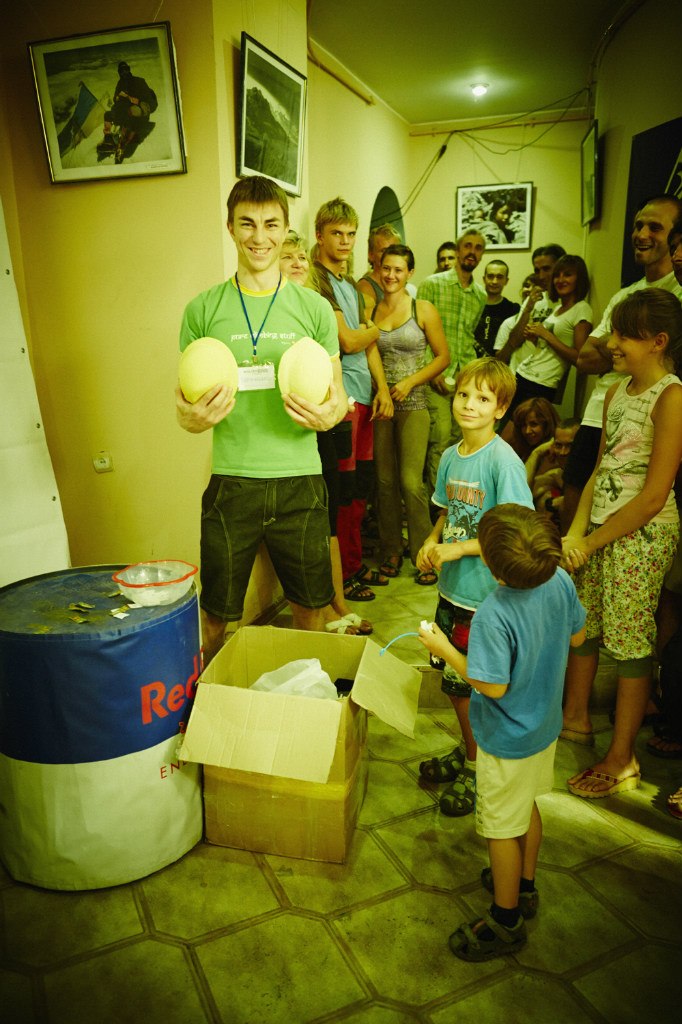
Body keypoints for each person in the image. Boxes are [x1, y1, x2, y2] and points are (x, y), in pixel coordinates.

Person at [176, 176, 347, 664]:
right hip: (233, 482)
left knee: (311, 606)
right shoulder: (202, 310)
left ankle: (304, 699)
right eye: (247, 223)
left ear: (285, 229)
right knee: (217, 610)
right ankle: (215, 700)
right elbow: (184, 409)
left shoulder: (314, 308)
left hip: (301, 480)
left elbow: (337, 398)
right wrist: (193, 419)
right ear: (230, 227)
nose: (259, 236)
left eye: (271, 224)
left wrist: (326, 415)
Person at [419, 504, 586, 962]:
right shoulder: (560, 581)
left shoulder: (494, 613)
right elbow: (576, 637)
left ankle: (505, 919)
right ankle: (525, 887)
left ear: (490, 565)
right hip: (544, 728)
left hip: (505, 739)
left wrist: (445, 647)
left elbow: (491, 684)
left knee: (499, 828)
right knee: (526, 807)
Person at [561, 288, 682, 798]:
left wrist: (595, 540)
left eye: (623, 335)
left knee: (630, 644)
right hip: (602, 530)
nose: (611, 343)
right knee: (583, 627)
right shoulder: (614, 392)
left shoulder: (672, 396)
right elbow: (599, 470)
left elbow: (654, 496)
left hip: (643, 534)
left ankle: (622, 755)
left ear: (658, 342)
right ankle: (575, 717)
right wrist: (575, 531)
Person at [416, 358, 533, 817]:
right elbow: (446, 512)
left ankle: (480, 766)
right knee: (453, 683)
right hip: (452, 592)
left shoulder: (504, 461)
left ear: (500, 409)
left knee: (476, 686)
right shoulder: (450, 456)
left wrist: (457, 550)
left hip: (487, 601)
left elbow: (511, 532)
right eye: (465, 394)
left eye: (483, 398)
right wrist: (431, 539)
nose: (470, 405)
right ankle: (469, 753)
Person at [562, 195, 682, 532]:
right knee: (575, 501)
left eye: (655, 227)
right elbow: (585, 357)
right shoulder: (625, 294)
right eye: (638, 225)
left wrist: (605, 349)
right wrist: (621, 350)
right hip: (601, 406)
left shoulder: (677, 292)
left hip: (648, 416)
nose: (642, 233)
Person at [278, 231, 371, 636]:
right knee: (309, 524)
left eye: (301, 255)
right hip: (290, 433)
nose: (298, 261)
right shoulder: (270, 317)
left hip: (327, 421)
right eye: (288, 256)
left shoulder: (317, 310)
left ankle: (338, 602)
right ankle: (328, 611)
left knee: (331, 513)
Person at [311, 197, 393, 601]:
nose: (344, 241)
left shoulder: (351, 286)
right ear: (319, 235)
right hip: (340, 398)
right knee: (341, 492)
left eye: (350, 234)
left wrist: (381, 389)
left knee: (360, 489)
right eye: (336, 234)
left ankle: (356, 565)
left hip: (364, 394)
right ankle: (341, 577)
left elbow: (367, 343)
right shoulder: (318, 281)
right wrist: (378, 328)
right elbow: (348, 340)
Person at [371, 244, 449, 582]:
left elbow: (442, 357)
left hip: (415, 404)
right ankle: (391, 549)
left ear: (410, 273)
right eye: (386, 269)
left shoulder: (423, 308)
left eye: (398, 270)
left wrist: (409, 382)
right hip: (382, 405)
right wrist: (385, 391)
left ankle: (423, 551)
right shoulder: (371, 310)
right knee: (384, 481)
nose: (391, 275)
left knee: (409, 481)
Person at [417, 230, 487, 496]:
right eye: (467, 246)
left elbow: (468, 336)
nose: (472, 251)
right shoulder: (432, 284)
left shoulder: (479, 295)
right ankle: (438, 505)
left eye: (478, 248)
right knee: (439, 439)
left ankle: (456, 500)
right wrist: (432, 367)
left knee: (462, 439)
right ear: (457, 250)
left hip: (465, 379)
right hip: (435, 376)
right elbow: (419, 332)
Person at [499, 254, 592, 431]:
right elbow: (548, 349)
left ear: (579, 278)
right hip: (523, 375)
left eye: (568, 274)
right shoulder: (558, 309)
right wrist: (535, 338)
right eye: (558, 275)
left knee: (510, 436)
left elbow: (580, 358)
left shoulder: (582, 309)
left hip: (541, 384)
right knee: (507, 432)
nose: (560, 280)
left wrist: (546, 335)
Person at [495, 244, 566, 366]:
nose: (541, 275)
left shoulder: (567, 303)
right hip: (516, 372)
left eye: (546, 269)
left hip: (544, 379)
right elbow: (514, 341)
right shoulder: (533, 299)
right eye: (537, 270)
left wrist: (543, 334)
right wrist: (528, 309)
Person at [97, 60, 157, 162]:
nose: (124, 73)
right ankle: (108, 140)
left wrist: (137, 101)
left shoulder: (139, 81)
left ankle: (122, 145)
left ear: (129, 70)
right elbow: (116, 97)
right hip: (124, 109)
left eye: (125, 70)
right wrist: (117, 98)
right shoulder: (120, 83)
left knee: (129, 116)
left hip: (140, 111)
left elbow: (150, 101)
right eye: (121, 71)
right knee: (108, 115)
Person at [525, 417, 580, 517]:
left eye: (570, 446)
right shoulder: (555, 474)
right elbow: (520, 495)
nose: (563, 452)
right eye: (558, 445)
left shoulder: (592, 477)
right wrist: (536, 453)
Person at [473, 260, 520, 356]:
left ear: (506, 281)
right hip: (470, 365)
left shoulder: (513, 309)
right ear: (484, 279)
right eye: (490, 276)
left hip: (500, 366)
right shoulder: (472, 304)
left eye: (499, 277)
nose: (494, 281)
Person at [493, 274, 538, 372]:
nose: (530, 290)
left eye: (535, 287)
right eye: (527, 286)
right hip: (512, 377)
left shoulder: (548, 321)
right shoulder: (509, 323)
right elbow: (499, 360)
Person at [357, 224, 401, 308]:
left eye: (394, 250)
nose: (390, 255)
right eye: (384, 251)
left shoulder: (401, 287)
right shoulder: (365, 288)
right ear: (371, 255)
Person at [505, 397, 559, 463]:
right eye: (523, 425)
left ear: (547, 424)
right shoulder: (516, 446)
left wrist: (536, 453)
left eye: (534, 424)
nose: (527, 431)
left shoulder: (556, 454)